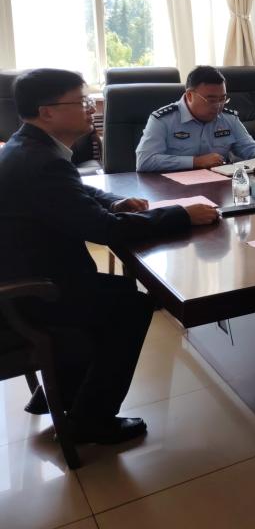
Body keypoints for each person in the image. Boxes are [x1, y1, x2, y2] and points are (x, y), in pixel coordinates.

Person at [0, 69, 219, 445]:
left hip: (28, 274)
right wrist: (182, 215)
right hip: (32, 293)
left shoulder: (29, 147)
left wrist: (114, 201)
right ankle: (91, 420)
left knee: (120, 294)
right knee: (132, 306)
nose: (91, 108)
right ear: (47, 111)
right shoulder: (41, 161)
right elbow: (107, 231)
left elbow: (75, 192)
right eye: (81, 101)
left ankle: (61, 391)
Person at [135, 65, 255, 172]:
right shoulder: (163, 120)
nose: (218, 106)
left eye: (222, 99)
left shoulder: (228, 118)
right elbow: (145, 161)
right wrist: (195, 162)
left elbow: (247, 148)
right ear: (190, 96)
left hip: (219, 187)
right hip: (174, 190)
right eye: (211, 100)